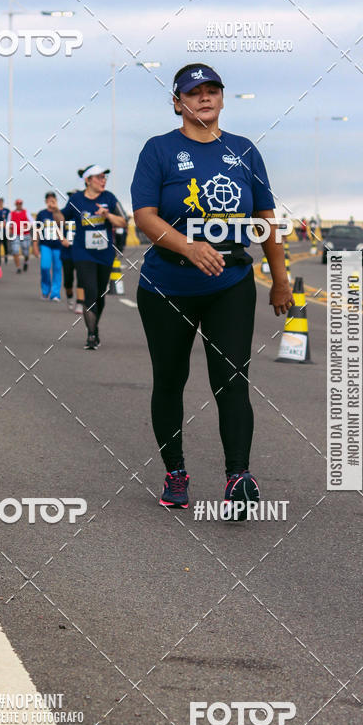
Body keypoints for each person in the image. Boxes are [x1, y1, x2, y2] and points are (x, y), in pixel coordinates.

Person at [131, 63, 293, 515]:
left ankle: (238, 477)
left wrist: (279, 279)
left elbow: (265, 218)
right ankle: (175, 473)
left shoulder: (243, 151)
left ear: (222, 98)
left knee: (232, 381)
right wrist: (188, 247)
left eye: (212, 90)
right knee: (170, 380)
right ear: (178, 102)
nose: (204, 98)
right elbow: (144, 216)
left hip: (232, 283)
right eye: (194, 92)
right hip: (167, 285)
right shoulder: (159, 150)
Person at [53, 165, 125, 348]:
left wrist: (107, 214)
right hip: (83, 253)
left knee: (100, 294)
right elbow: (63, 219)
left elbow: (123, 221)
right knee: (90, 292)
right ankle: (91, 335)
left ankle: (94, 327)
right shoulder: (76, 199)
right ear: (88, 180)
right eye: (99, 177)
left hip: (105, 254)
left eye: (104, 177)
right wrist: (55, 211)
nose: (103, 180)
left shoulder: (109, 198)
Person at [34, 192, 63, 301]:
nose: (51, 202)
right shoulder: (42, 214)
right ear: (46, 201)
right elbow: (37, 230)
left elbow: (62, 223)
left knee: (57, 268)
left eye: (53, 200)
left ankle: (55, 294)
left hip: (58, 245)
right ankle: (45, 290)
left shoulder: (60, 213)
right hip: (45, 244)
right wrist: (35, 245)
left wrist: (56, 210)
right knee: (45, 267)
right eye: (49, 200)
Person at [9, 199, 32, 273]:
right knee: (15, 250)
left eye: (20, 204)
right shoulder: (11, 213)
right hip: (15, 234)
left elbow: (32, 222)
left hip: (25, 235)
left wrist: (27, 226)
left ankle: (26, 261)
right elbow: (8, 223)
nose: (19, 205)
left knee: (25, 251)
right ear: (16, 204)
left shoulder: (26, 212)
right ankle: (18, 267)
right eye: (18, 204)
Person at [0, 197, 10, 263]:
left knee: (5, 244)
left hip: (5, 230)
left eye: (1, 201)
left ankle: (6, 256)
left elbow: (9, 219)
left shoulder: (6, 210)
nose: (0, 203)